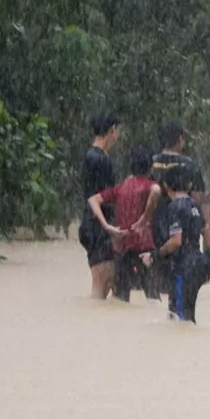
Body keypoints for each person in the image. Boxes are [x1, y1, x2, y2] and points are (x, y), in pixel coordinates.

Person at [87, 145, 161, 303]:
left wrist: (107, 226)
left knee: (121, 298)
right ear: (149, 166)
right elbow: (156, 191)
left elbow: (93, 200)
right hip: (143, 249)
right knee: (153, 298)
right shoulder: (147, 184)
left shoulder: (121, 188)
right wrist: (144, 218)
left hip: (122, 249)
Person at [146, 165, 210, 323]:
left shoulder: (174, 208)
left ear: (166, 186)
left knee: (178, 317)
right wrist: (206, 263)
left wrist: (155, 255)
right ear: (190, 186)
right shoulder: (195, 206)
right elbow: (208, 235)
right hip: (199, 265)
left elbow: (176, 241)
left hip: (183, 269)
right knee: (188, 315)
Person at [80, 114, 121, 300]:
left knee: (108, 278)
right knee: (103, 279)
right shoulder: (100, 159)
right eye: (117, 131)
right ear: (112, 130)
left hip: (92, 224)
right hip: (98, 225)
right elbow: (100, 197)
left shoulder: (93, 156)